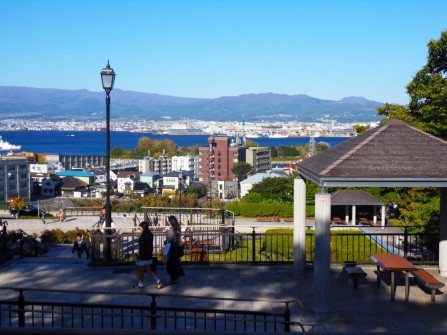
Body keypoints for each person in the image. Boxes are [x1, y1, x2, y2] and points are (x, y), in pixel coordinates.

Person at [134, 221, 163, 289]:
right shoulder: (150, 234)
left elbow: (142, 246)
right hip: (149, 254)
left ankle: (140, 284)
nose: (139, 227)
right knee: (148, 270)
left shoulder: (144, 236)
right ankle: (158, 280)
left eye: (140, 226)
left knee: (140, 270)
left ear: (143, 227)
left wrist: (140, 255)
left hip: (143, 255)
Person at [165, 216, 185, 286]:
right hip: (176, 248)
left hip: (171, 249)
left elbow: (169, 242)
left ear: (170, 222)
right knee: (175, 264)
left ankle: (173, 279)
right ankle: (174, 279)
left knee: (171, 265)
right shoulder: (177, 230)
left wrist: (165, 252)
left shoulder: (170, 231)